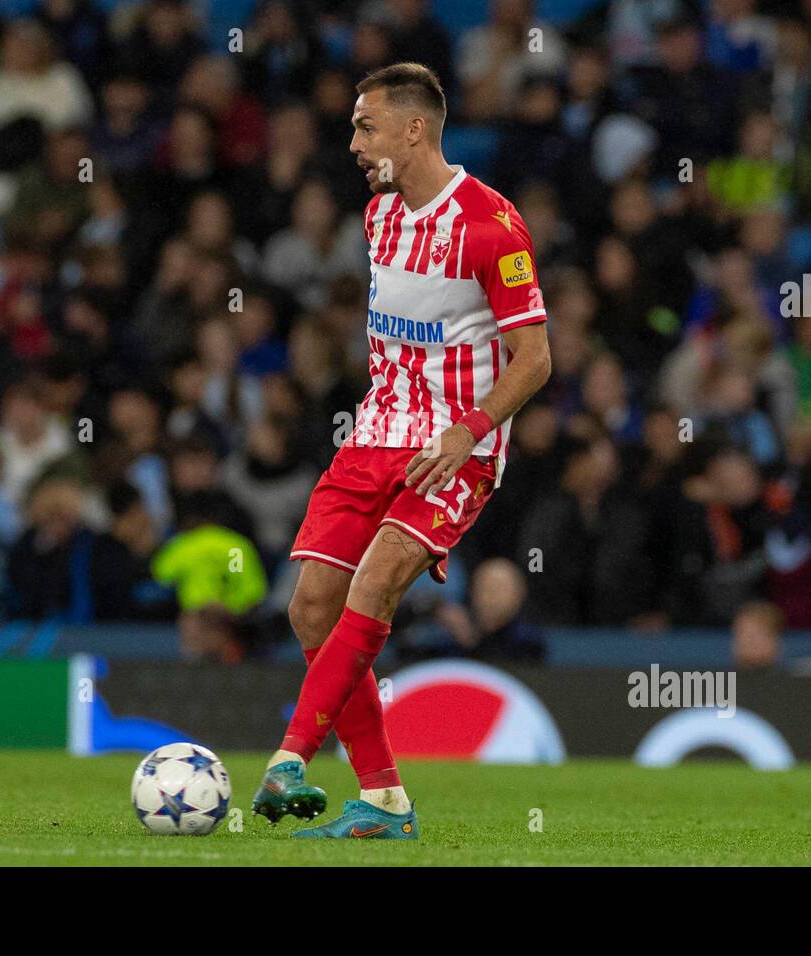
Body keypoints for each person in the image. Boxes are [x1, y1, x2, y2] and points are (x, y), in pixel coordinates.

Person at [250, 63, 552, 840]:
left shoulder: (493, 224)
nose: (353, 142)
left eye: (366, 127)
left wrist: (468, 430)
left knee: (375, 585)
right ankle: (384, 799)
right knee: (310, 607)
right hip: (374, 436)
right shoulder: (379, 213)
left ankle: (290, 756)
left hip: (452, 451)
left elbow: (536, 359)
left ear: (414, 129)